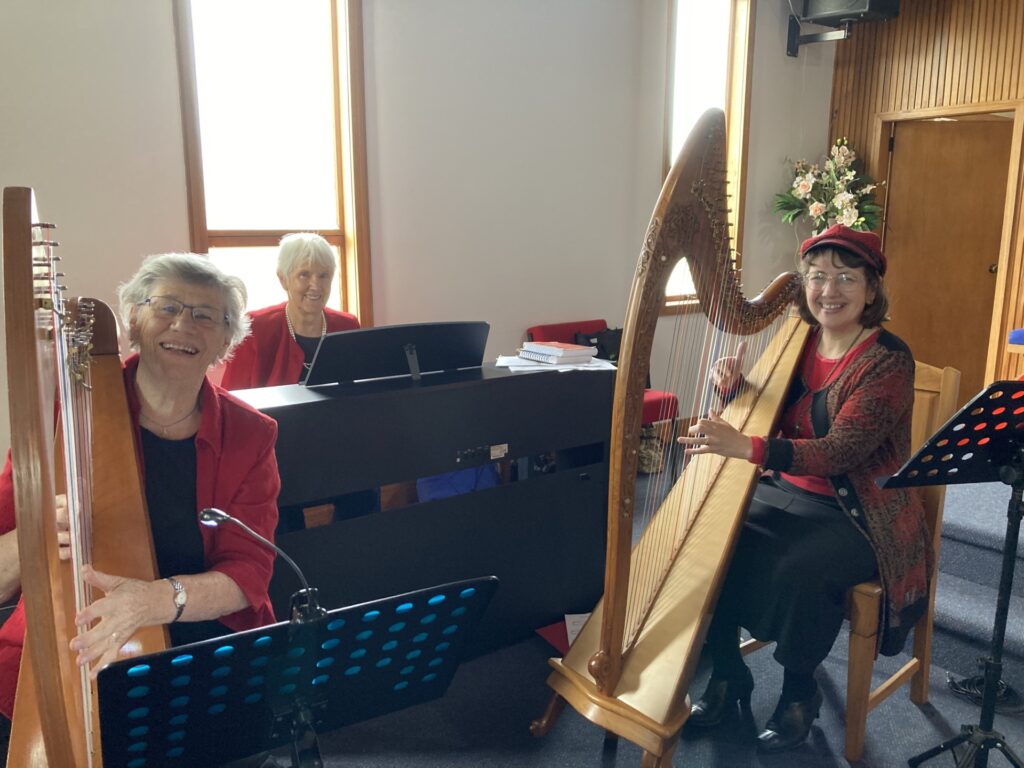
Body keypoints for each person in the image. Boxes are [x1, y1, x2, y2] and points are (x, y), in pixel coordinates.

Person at [677, 224, 931, 753]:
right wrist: (735, 386)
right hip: (788, 488)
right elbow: (776, 410)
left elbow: (841, 452)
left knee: (801, 569)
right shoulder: (801, 338)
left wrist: (746, 448)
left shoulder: (887, 359)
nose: (828, 291)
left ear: (870, 288)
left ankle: (798, 694)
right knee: (709, 537)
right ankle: (727, 673)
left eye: (845, 277)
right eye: (817, 277)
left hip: (861, 509)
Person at [0, 253, 281, 726]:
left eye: (205, 315)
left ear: (225, 341)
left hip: (204, 632)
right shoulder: (62, 416)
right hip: (73, 634)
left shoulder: (252, 434)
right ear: (132, 319)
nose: (183, 325)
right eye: (166, 307)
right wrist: (31, 537)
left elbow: (250, 573)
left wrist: (152, 601)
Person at [220, 232, 359, 390]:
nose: (316, 285)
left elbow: (363, 395)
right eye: (304, 275)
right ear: (283, 279)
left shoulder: (347, 326)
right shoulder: (255, 329)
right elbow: (232, 400)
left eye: (323, 276)